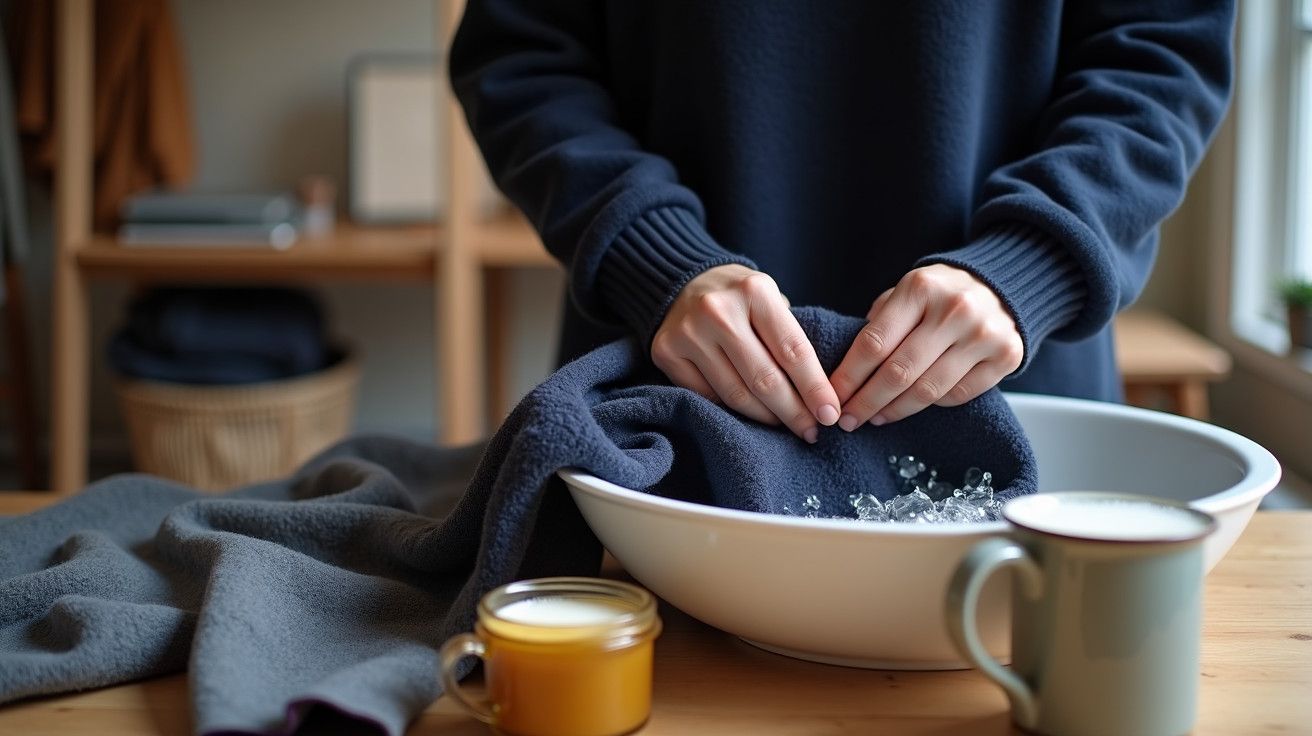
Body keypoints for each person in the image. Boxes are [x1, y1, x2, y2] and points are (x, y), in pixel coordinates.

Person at [450, 1, 1234, 443]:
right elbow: (523, 56)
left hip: (1017, 398)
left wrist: (1032, 260)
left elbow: (1161, 51)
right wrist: (652, 254)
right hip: (666, 412)